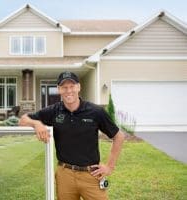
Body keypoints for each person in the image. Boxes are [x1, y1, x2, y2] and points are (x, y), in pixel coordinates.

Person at [19, 71, 125, 200]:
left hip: (91, 174)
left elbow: (118, 136)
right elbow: (23, 120)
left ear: (78, 87)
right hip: (65, 175)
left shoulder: (96, 112)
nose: (69, 90)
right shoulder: (54, 111)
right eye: (64, 87)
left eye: (72, 86)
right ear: (59, 90)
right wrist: (36, 124)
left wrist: (109, 167)